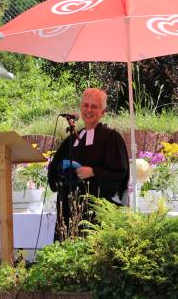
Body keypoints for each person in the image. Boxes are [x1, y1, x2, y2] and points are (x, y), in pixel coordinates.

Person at [48, 88, 129, 240]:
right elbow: (54, 169)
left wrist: (93, 172)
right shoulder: (71, 140)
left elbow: (120, 173)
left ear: (103, 111)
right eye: (86, 105)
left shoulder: (112, 138)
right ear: (80, 108)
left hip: (98, 213)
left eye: (94, 106)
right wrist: (63, 171)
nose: (89, 110)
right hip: (71, 211)